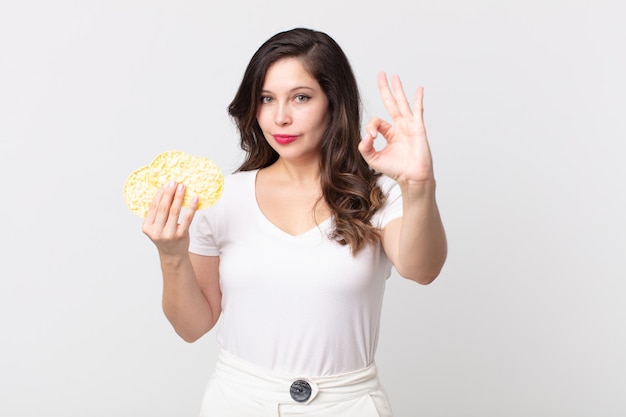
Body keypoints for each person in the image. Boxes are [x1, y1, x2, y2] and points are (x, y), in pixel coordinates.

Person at [142, 27, 447, 417]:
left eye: (300, 98)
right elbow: (192, 327)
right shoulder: (221, 198)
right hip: (239, 402)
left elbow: (423, 269)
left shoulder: (377, 194)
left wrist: (419, 185)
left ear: (333, 103)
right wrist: (171, 255)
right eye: (267, 99)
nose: (280, 117)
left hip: (347, 404)